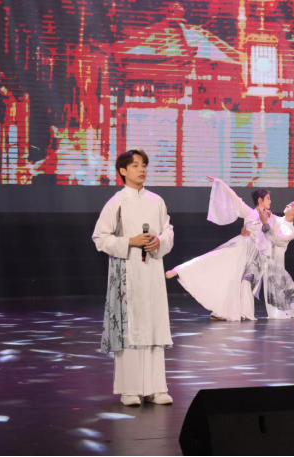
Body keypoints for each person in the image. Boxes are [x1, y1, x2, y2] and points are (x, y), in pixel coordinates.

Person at [92, 149, 175, 407]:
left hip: (152, 272)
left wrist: (159, 241)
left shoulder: (157, 201)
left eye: (144, 165)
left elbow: (168, 231)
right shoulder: (116, 202)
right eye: (136, 165)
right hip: (128, 274)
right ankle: (129, 389)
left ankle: (156, 388)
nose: (142, 170)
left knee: (154, 324)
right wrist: (130, 241)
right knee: (131, 327)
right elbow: (100, 238)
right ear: (123, 171)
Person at [166, 177, 271, 322]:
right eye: (268, 198)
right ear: (260, 200)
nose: (270, 201)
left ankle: (228, 311)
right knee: (216, 261)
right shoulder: (249, 212)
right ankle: (180, 270)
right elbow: (234, 197)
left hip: (255, 254)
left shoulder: (270, 217)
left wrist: (264, 226)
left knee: (237, 281)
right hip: (241, 248)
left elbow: (272, 233)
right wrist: (219, 182)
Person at [243, 199, 294, 319]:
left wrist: (266, 223)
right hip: (259, 258)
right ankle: (241, 312)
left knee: (287, 286)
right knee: (245, 281)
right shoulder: (274, 218)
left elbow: (276, 239)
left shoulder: (292, 232)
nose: (287, 205)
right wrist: (248, 228)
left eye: (291, 205)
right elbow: (257, 223)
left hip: (274, 263)